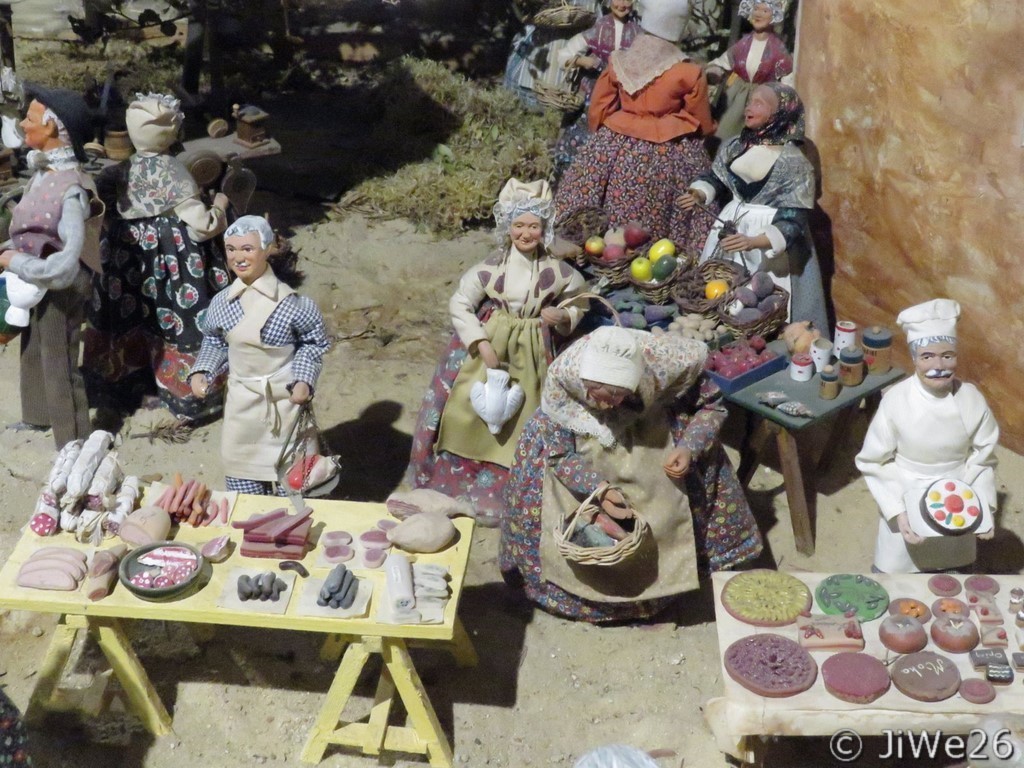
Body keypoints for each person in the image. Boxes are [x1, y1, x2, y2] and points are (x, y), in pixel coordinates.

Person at [500, 327, 763, 622]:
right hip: (582, 449)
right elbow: (560, 455)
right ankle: (587, 595)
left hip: (652, 433)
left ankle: (670, 581)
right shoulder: (564, 384)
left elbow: (712, 407)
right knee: (553, 510)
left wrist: (690, 446)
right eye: (595, 396)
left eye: (616, 397)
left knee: (669, 506)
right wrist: (600, 490)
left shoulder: (667, 368)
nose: (604, 406)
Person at [406, 178, 588, 525]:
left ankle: (509, 492)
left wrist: (564, 315)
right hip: (491, 341)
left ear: (544, 228)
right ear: (507, 227)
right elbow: (461, 302)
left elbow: (579, 299)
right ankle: (455, 480)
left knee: (526, 417)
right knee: (464, 410)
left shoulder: (558, 272)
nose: (525, 234)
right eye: (519, 225)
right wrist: (479, 342)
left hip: (535, 348)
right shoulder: (491, 269)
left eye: (533, 226)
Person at [84, 92, 232, 421]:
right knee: (173, 312)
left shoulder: (116, 172)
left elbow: (102, 214)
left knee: (126, 312)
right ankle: (183, 392)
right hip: (171, 261)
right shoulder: (174, 174)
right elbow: (200, 227)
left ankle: (124, 382)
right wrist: (220, 206)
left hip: (125, 258)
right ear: (172, 132)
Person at [554, 0, 717, 256]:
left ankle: (591, 248)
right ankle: (663, 252)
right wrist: (703, 135)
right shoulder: (688, 72)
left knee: (593, 191)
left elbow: (600, 106)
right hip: (669, 145)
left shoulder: (620, 61)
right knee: (674, 198)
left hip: (618, 136)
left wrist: (603, 139)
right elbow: (701, 119)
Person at [189, 215, 330, 494]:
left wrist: (303, 379)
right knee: (242, 476)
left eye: (247, 249)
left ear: (266, 249)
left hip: (284, 401)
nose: (239, 257)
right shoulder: (222, 302)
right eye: (232, 249)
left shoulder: (295, 305)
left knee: (292, 482)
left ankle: (290, 525)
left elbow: (312, 344)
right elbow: (214, 341)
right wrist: (203, 370)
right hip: (243, 401)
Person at [855, 299, 998, 573]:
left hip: (958, 496)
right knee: (898, 573)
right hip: (907, 493)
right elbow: (873, 461)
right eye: (927, 356)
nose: (939, 365)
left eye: (947, 355)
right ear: (914, 359)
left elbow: (984, 457)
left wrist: (984, 504)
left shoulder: (971, 400)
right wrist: (897, 510)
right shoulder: (896, 401)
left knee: (954, 576)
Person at [679, 82, 828, 333]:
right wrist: (698, 193)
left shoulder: (793, 162)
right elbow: (717, 177)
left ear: (780, 113)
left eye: (759, 103)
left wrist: (754, 242)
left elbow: (794, 218)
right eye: (750, 101)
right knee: (722, 287)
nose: (749, 108)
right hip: (732, 228)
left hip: (770, 246)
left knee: (768, 298)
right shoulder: (734, 145)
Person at [0, 85, 101, 447]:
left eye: (30, 118)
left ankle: (73, 439)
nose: (23, 124)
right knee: (32, 346)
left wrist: (18, 261)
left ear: (53, 129)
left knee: (58, 359)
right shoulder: (44, 173)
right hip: (33, 279)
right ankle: (38, 415)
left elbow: (67, 264)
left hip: (60, 286)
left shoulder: (71, 189)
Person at [551, 0, 641, 184]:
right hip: (590, 101)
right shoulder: (598, 28)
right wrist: (582, 61)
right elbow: (564, 55)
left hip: (620, 103)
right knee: (574, 148)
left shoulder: (637, 33)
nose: (623, 4)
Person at [705, 0, 794, 141]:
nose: (758, 14)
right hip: (736, 98)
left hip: (762, 99)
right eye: (756, 9)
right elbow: (725, 61)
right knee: (725, 132)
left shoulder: (778, 49)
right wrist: (715, 70)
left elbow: (787, 77)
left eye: (765, 11)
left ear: (774, 16)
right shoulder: (743, 44)